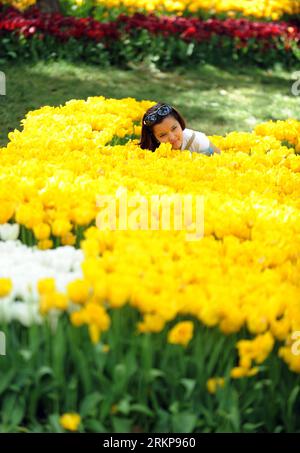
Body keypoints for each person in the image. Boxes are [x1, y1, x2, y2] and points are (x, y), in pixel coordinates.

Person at [139, 102, 221, 155]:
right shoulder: (148, 153)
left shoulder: (199, 141)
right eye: (163, 135)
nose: (172, 137)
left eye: (174, 128)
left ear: (180, 123)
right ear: (154, 137)